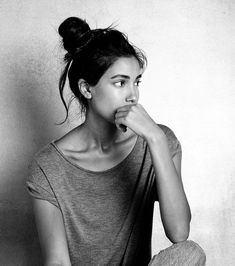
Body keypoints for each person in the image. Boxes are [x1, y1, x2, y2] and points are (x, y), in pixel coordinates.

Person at [26, 17, 206, 266]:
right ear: (87, 89)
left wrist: (155, 139)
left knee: (189, 253)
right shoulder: (48, 167)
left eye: (136, 81)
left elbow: (179, 233)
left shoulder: (158, 141)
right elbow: (56, 261)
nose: (133, 95)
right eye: (120, 82)